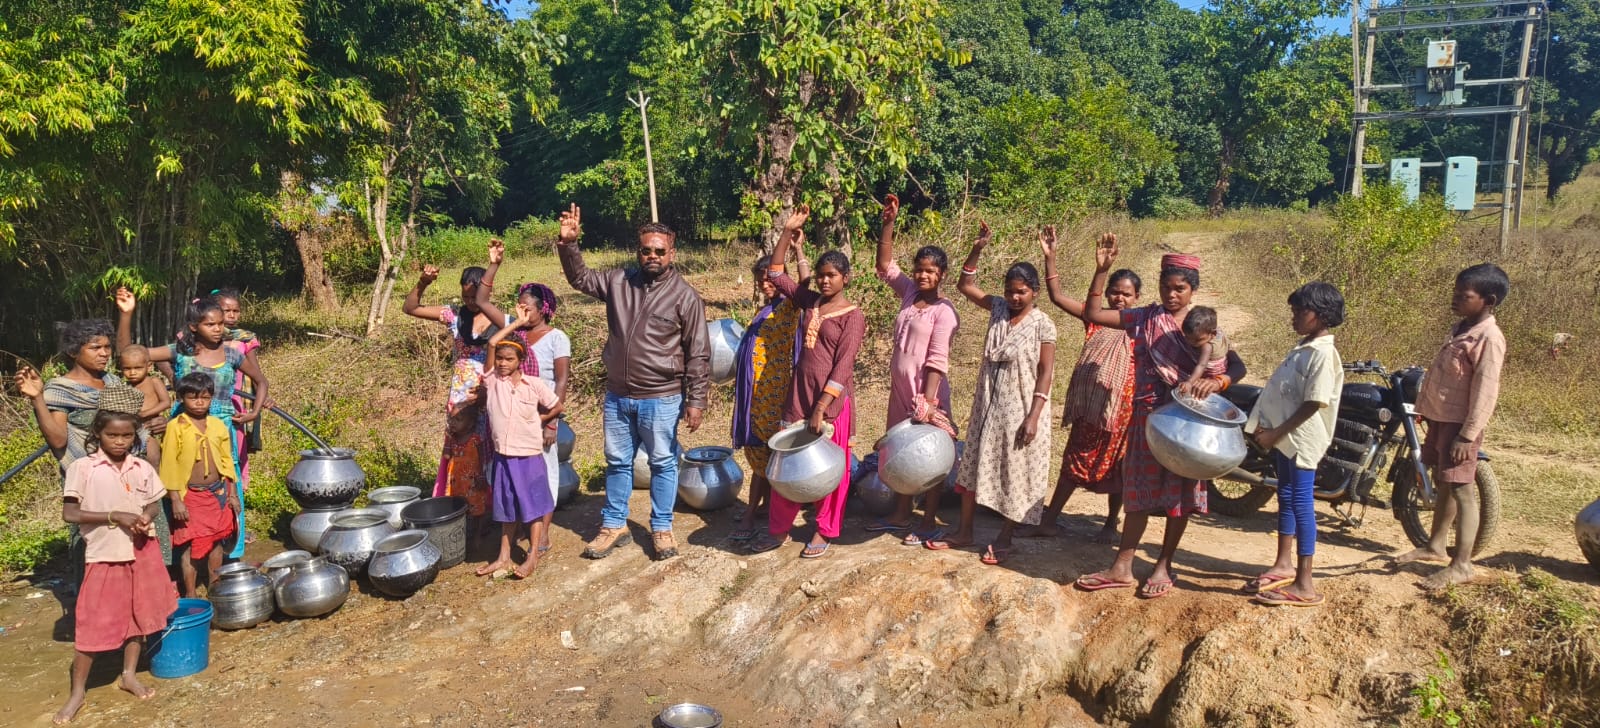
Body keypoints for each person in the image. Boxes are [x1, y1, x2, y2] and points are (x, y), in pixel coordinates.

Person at [1071, 237, 1230, 599]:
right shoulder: (1145, 317)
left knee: (1180, 494)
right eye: (1165, 287)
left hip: (1186, 421)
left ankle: (1164, 564)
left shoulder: (1204, 327)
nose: (1172, 295)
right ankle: (1122, 565)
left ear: (1193, 290)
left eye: (1180, 288)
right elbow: (1093, 314)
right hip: (1146, 416)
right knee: (1137, 491)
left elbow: (1227, 367)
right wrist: (1101, 270)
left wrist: (1215, 381)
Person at [555, 204, 711, 561]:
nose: (652, 255)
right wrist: (568, 246)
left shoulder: (685, 296)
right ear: (637, 251)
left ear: (672, 253)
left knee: (662, 461)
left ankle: (661, 528)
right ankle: (613, 525)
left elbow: (698, 353)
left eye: (660, 250)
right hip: (618, 395)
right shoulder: (618, 281)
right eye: (646, 250)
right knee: (617, 461)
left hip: (662, 396)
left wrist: (696, 401)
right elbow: (580, 279)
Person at [926, 222, 1056, 563]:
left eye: (1022, 292)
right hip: (987, 404)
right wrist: (978, 248)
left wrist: (1034, 416)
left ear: (1035, 292)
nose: (1015, 297)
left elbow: (1046, 372)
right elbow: (965, 284)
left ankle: (1005, 536)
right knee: (973, 464)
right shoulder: (997, 308)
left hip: (1023, 407)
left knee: (1016, 470)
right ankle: (965, 531)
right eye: (1010, 290)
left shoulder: (1043, 324)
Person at [747, 204, 867, 559]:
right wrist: (787, 232)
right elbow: (776, 272)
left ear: (846, 277)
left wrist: (821, 408)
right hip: (797, 398)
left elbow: (843, 367)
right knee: (787, 464)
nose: (825, 280)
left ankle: (825, 529)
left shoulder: (853, 317)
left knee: (832, 468)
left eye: (832, 275)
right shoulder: (810, 302)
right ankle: (778, 528)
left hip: (829, 404)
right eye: (821, 275)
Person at [116, 289, 267, 560]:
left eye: (221, 324)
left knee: (226, 487)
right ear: (194, 326)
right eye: (211, 324)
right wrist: (126, 314)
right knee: (179, 485)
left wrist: (253, 412)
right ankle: (184, 553)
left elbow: (262, 381)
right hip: (181, 428)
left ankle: (231, 553)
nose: (218, 329)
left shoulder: (232, 354)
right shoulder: (180, 352)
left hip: (221, 428)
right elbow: (130, 353)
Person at [54, 402, 176, 725]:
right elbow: (70, 513)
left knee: (137, 618)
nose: (119, 441)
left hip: (141, 550)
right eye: (112, 435)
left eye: (126, 435)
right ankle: (78, 692)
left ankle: (128, 674)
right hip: (104, 555)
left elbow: (153, 501)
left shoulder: (141, 467)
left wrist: (145, 517)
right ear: (98, 434)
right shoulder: (84, 469)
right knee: (92, 622)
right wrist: (114, 516)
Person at [16, 320, 166, 571]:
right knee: (98, 546)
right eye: (95, 347)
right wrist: (38, 399)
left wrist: (154, 424)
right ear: (74, 352)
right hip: (93, 483)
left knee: (137, 545)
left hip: (131, 476)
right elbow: (58, 440)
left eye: (107, 347)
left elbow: (131, 422)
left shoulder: (113, 382)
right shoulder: (60, 389)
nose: (105, 353)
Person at [1395, 263, 1509, 589]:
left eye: (1465, 295)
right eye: (1456, 292)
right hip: (1442, 420)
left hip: (1461, 426)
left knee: (1462, 489)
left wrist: (1467, 435)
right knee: (1445, 482)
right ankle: (1434, 546)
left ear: (1488, 300)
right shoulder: (1462, 328)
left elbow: (1486, 392)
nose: (1456, 298)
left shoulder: (1489, 337)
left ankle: (1462, 565)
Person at [1031, 229, 1142, 543]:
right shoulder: (1097, 319)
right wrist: (1053, 258)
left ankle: (1110, 524)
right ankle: (1049, 519)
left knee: (1119, 468)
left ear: (1137, 299)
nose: (1119, 298)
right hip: (1089, 411)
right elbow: (1055, 296)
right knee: (1073, 462)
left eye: (1126, 294)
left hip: (1121, 411)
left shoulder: (1140, 325)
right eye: (1114, 292)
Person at [864, 193, 960, 546]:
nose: (922, 275)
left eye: (930, 271)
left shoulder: (944, 311)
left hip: (926, 395)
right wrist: (888, 222)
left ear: (942, 275)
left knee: (930, 453)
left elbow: (937, 358)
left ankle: (928, 520)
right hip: (900, 391)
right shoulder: (908, 294)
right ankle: (902, 513)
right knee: (902, 452)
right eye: (919, 269)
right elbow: (884, 266)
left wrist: (929, 402)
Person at [1244, 282, 1346, 607]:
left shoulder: (1323, 354)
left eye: (1300, 311)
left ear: (1320, 315)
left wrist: (1275, 434)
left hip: (1301, 440)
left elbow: (1313, 403)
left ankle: (1305, 584)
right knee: (1286, 494)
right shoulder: (1304, 347)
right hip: (1287, 438)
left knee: (1301, 503)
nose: (1294, 317)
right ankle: (1283, 563)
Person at [401, 246, 499, 538]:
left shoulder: (497, 319)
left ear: (486, 292)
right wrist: (422, 283)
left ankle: (486, 512)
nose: (470, 302)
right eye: (466, 296)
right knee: (460, 451)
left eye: (475, 296)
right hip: (460, 393)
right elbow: (410, 308)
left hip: (488, 391)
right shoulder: (454, 316)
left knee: (486, 451)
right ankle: (462, 510)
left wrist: (485, 392)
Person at [729, 238, 809, 542]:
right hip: (757, 395)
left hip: (775, 395)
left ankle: (754, 513)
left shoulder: (788, 307)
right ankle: (761, 508)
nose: (764, 284)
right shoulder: (764, 310)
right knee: (759, 453)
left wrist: (797, 248)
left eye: (768, 279)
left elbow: (804, 283)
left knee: (768, 454)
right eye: (759, 280)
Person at [485, 276, 571, 554]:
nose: (522, 312)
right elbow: (482, 302)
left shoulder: (556, 338)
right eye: (518, 307)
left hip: (540, 415)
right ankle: (522, 528)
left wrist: (551, 422)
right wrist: (495, 265)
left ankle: (543, 530)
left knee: (543, 476)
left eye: (527, 308)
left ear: (543, 308)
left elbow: (560, 381)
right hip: (511, 416)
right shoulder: (515, 334)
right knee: (515, 476)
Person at [476, 340, 565, 578]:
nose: (503, 363)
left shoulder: (534, 385)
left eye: (509, 359)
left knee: (533, 506)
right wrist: (517, 324)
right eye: (500, 358)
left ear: (521, 362)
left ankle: (533, 555)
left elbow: (556, 405)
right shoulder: (494, 381)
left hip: (529, 456)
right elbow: (493, 342)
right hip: (503, 455)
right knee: (506, 507)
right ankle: (503, 557)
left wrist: (540, 420)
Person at [161, 372, 240, 597]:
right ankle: (190, 593)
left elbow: (227, 460)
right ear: (181, 398)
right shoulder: (176, 427)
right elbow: (169, 465)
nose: (199, 402)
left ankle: (215, 585)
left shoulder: (217, 426)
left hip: (218, 492)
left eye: (204, 398)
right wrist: (176, 499)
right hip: (191, 496)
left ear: (211, 398)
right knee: (191, 547)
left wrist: (232, 493)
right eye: (193, 397)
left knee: (216, 542)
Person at [118, 345, 168, 466]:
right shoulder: (124, 386)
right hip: (130, 429)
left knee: (152, 459)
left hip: (149, 428)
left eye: (138, 368)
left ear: (149, 366)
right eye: (127, 368)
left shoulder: (154, 381)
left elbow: (166, 402)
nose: (132, 372)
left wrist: (145, 413)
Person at [1180, 306, 1229, 389]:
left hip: (1212, 376)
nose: (1191, 343)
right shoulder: (1217, 332)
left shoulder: (1207, 346)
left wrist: (1189, 382)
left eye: (1198, 340)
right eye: (1187, 337)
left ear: (1213, 333)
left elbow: (1201, 365)